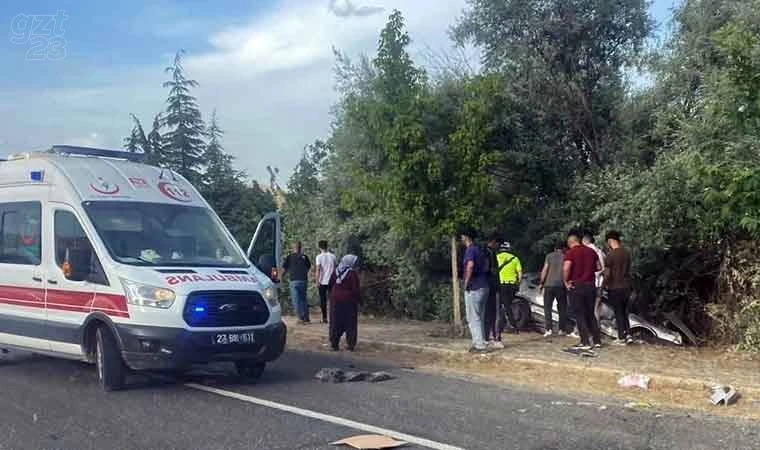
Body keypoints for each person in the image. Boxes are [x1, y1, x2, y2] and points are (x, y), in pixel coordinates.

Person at [563, 229, 602, 350]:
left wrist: (566, 281)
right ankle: (597, 340)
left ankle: (585, 342)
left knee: (579, 314)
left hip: (577, 285)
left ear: (570, 242)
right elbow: (599, 267)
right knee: (590, 313)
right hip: (591, 286)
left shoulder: (570, 253)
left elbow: (566, 268)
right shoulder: (591, 251)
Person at [461, 228, 490, 353]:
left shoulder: (470, 250)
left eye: (462, 236)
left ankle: (479, 345)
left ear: (466, 237)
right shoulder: (479, 250)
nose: (461, 239)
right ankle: (481, 341)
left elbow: (470, 265)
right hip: (484, 285)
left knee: (473, 317)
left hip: (474, 287)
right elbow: (487, 264)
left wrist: (466, 282)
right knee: (480, 316)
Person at [603, 230, 634, 345]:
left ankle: (621, 337)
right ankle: (628, 334)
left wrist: (602, 287)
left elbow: (607, 274)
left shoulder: (611, 255)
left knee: (618, 312)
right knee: (625, 312)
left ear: (610, 240)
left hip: (615, 287)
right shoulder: (627, 253)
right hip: (626, 286)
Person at [328, 254, 361, 351]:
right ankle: (350, 344)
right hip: (348, 302)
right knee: (350, 323)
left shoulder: (335, 271)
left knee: (335, 322)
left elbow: (330, 285)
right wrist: (359, 300)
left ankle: (334, 344)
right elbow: (355, 289)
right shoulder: (352, 274)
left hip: (335, 301)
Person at [539, 241, 570, 337]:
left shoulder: (549, 256)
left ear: (555, 248)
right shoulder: (566, 256)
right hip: (561, 285)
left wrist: (541, 283)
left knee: (547, 308)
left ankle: (548, 329)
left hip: (549, 285)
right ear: (564, 248)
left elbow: (545, 269)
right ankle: (562, 329)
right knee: (562, 308)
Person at [495, 241, 522, 338]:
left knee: (504, 306)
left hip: (501, 285)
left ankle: (512, 325)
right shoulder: (515, 259)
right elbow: (520, 273)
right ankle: (508, 325)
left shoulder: (496, 257)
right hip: (512, 286)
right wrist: (518, 283)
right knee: (507, 305)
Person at [282, 241, 312, 324]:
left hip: (294, 280)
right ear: (300, 247)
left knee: (296, 300)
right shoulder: (304, 257)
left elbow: (284, 269)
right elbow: (308, 267)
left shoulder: (290, 257)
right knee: (303, 299)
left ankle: (300, 318)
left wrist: (281, 277)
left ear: (293, 248)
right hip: (303, 280)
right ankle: (306, 317)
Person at [483, 235, 502, 348]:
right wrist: (492, 271)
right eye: (497, 244)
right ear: (494, 242)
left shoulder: (490, 252)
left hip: (491, 285)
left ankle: (488, 337)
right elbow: (486, 269)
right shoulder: (487, 253)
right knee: (491, 312)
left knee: (490, 312)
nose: (498, 246)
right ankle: (490, 337)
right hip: (489, 285)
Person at [583, 231, 606, 322]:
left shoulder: (586, 251)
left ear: (585, 241)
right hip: (600, 283)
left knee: (586, 306)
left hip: (589, 282)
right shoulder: (600, 251)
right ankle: (597, 329)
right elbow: (604, 268)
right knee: (597, 307)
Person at [315, 240, 337, 324]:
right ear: (327, 246)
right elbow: (335, 269)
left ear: (319, 247)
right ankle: (334, 317)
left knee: (323, 300)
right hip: (332, 281)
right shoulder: (333, 256)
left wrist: (317, 281)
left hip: (322, 281)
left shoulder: (319, 257)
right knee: (333, 299)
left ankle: (324, 318)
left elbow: (318, 269)